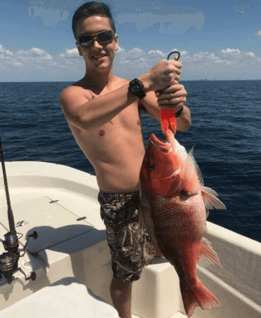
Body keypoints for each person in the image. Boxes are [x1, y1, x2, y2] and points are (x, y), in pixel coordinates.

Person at [60, 2, 191, 318]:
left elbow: (180, 124)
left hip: (159, 193)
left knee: (177, 255)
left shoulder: (132, 90)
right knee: (124, 273)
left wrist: (177, 103)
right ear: (78, 49)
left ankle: (188, 301)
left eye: (103, 36)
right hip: (120, 203)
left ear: (115, 40)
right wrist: (145, 82)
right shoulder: (73, 94)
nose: (96, 45)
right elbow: (85, 118)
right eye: (86, 40)